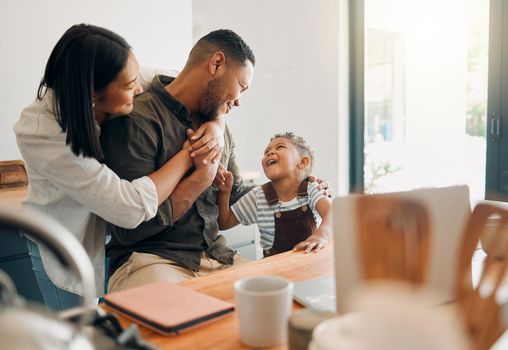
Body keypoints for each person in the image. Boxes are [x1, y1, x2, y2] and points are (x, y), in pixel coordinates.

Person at [13, 24, 224, 310]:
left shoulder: (125, 75)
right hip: (66, 245)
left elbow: (194, 89)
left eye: (135, 78)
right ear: (92, 93)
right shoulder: (40, 131)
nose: (138, 88)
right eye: (128, 86)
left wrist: (216, 126)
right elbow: (129, 207)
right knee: (77, 337)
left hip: (114, 245)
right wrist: (188, 155)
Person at [100, 29, 257, 292]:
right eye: (241, 86)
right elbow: (126, 229)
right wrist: (198, 181)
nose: (239, 101)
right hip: (151, 260)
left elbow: (233, 195)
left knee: (275, 304)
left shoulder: (218, 125)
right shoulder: (137, 120)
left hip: (216, 257)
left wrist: (287, 191)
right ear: (216, 63)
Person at [217, 132, 332, 257]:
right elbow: (224, 222)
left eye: (280, 147)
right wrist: (224, 192)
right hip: (273, 269)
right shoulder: (258, 196)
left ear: (302, 162)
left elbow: (333, 212)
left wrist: (322, 235)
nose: (269, 152)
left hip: (309, 261)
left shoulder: (311, 188)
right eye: (267, 151)